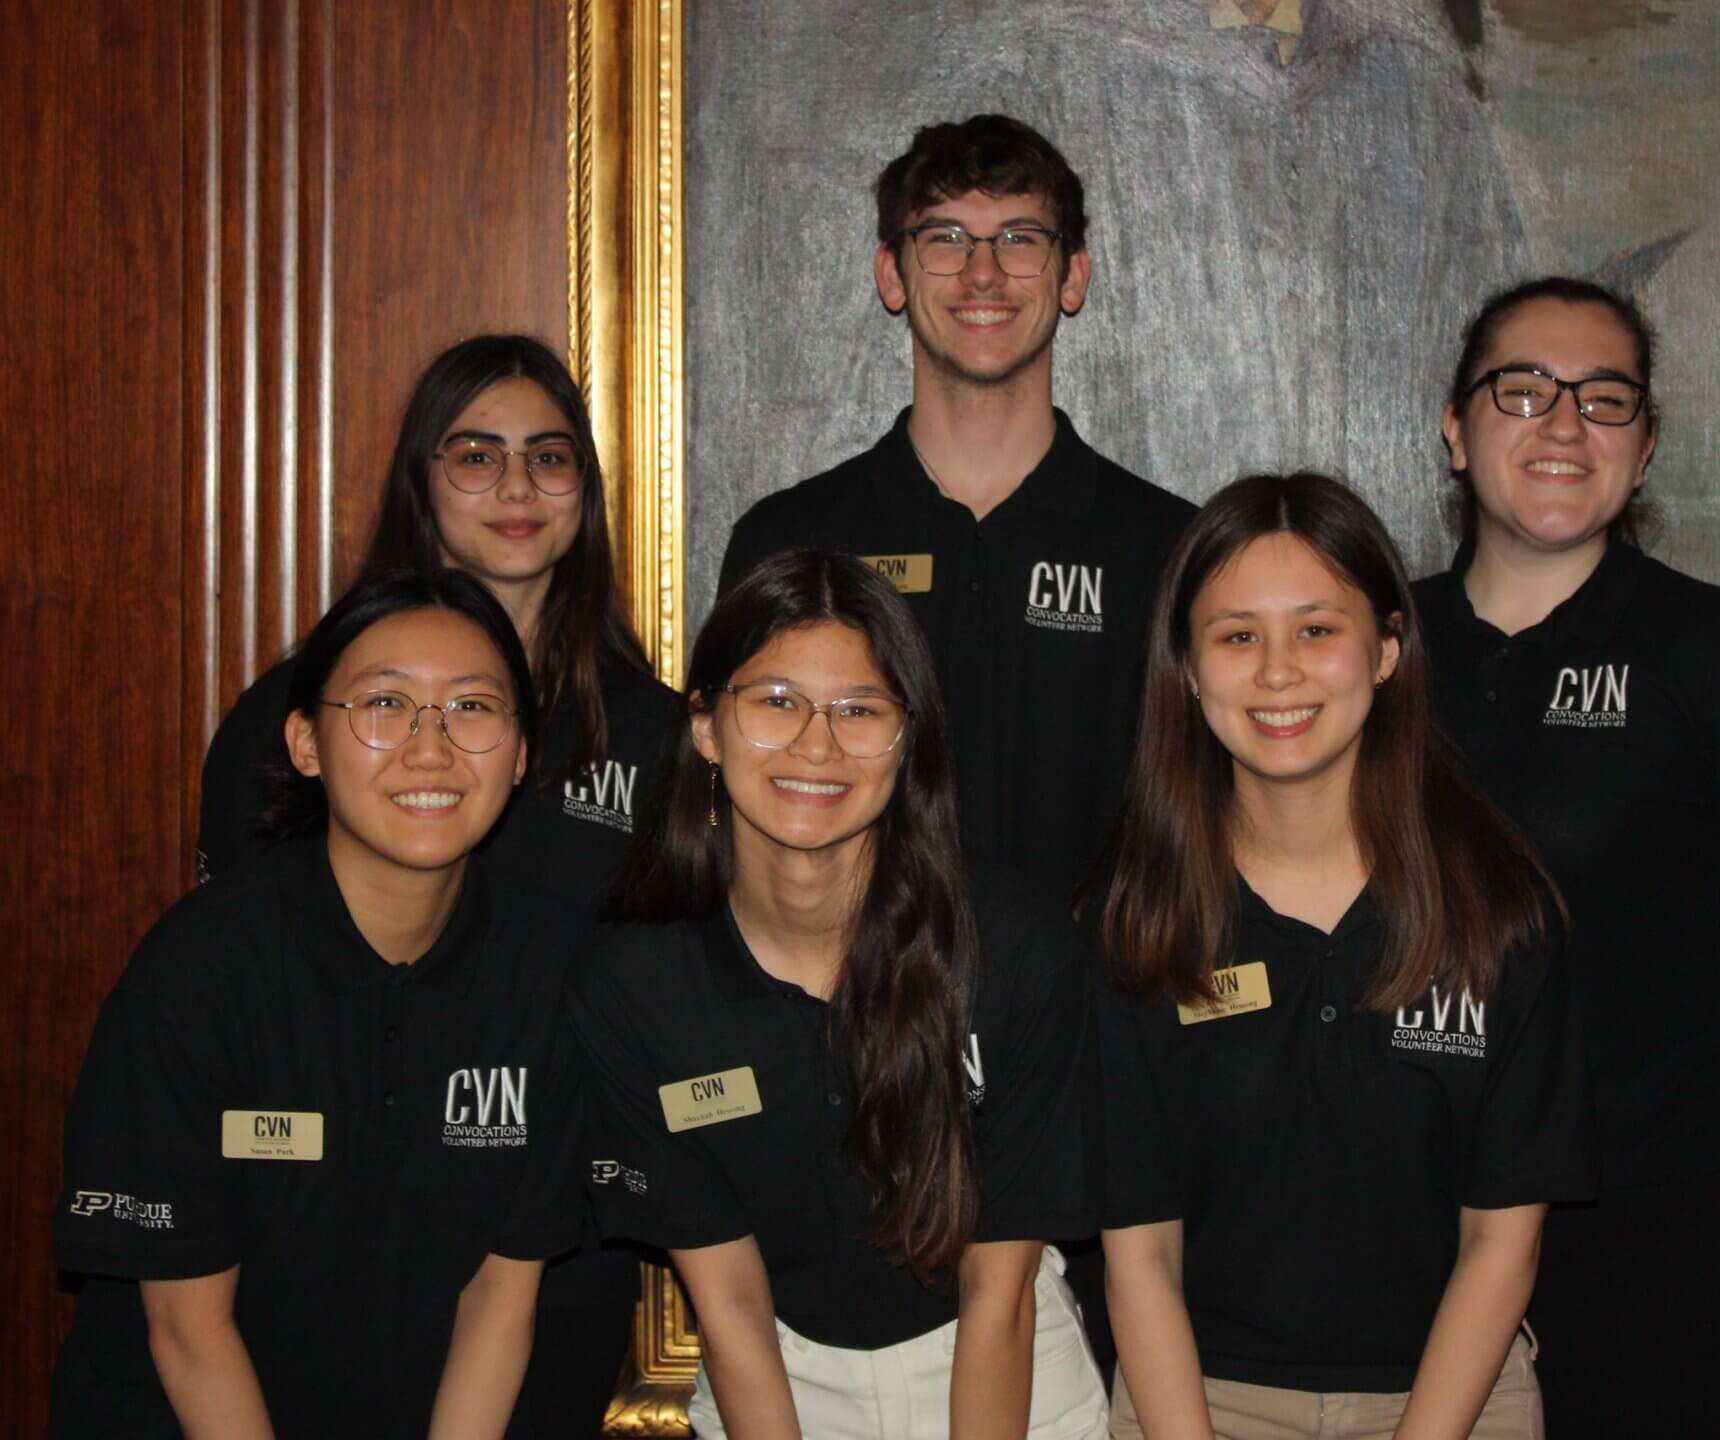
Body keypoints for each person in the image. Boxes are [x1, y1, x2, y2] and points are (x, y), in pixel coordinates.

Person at [1413, 277, 1720, 1438]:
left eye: (1606, 399)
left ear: (1647, 446)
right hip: (1426, 1204)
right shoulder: (1385, 650)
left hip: (1673, 1214)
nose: (1564, 425)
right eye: (1523, 390)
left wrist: (1661, 1028)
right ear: (1457, 429)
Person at [194, 334, 675, 1433]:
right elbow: (235, 980)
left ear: (585, 495)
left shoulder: (655, 731)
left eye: (549, 458)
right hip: (319, 1224)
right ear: (421, 476)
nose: (516, 486)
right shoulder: (297, 714)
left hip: (554, 1241)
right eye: (476, 454)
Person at [1096, 472, 1594, 1439]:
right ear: (1189, 669)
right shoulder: (1139, 921)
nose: (1278, 671)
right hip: (1200, 1402)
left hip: (1458, 1399)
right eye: (1238, 635)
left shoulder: (1499, 912)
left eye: (1318, 629)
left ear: (1388, 651)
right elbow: (1139, 1255)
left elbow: (1502, 1240)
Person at [571, 548, 1107, 1439]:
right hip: (781, 1371)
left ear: (910, 739)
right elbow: (733, 1306)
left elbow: (999, 1293)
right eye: (775, 702)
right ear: (705, 725)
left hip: (1002, 1367)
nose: (817, 746)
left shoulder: (1015, 948)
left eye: (860, 710)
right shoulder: (636, 984)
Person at [53, 570, 587, 1440]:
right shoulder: (200, 972)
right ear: (305, 742)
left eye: (473, 709)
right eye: (384, 704)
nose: (430, 748)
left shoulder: (549, 970)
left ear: (522, 752)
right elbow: (189, 1330)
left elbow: (500, 1293)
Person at [717, 113, 1195, 903]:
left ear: (1073, 275)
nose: (982, 275)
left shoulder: (1167, 544)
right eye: (944, 238)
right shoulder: (791, 539)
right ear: (892, 274)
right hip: (853, 998)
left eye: (1018, 238)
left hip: (1095, 1011)